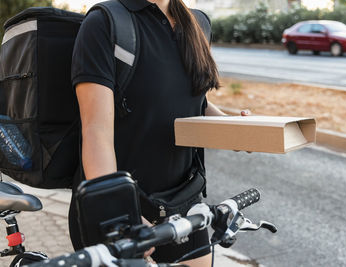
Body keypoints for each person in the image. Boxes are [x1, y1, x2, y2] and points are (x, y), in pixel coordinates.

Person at [68, 0, 248, 266]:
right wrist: (120, 214)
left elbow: (194, 100)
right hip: (119, 206)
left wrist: (233, 129)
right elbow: (95, 131)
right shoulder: (105, 22)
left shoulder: (198, 23)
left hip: (183, 203)